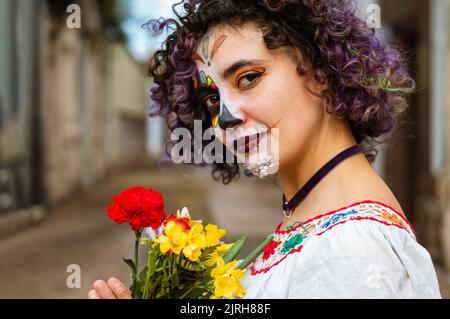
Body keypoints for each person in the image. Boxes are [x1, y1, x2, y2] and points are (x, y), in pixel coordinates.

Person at [89, 0, 441, 299]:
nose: (224, 117)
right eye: (212, 99)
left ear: (320, 72)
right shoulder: (316, 215)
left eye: (248, 78)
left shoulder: (352, 250)